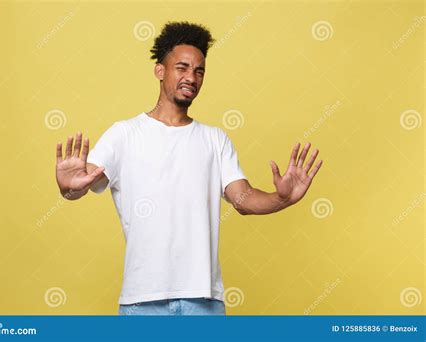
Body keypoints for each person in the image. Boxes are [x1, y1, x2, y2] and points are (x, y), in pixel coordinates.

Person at [55, 21, 323, 316]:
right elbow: (79, 186)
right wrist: (67, 186)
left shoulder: (215, 139)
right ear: (160, 71)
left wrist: (281, 198)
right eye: (182, 68)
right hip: (142, 301)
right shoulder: (124, 134)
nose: (191, 77)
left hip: (203, 302)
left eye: (199, 71)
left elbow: (243, 200)